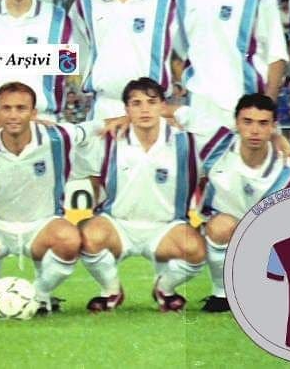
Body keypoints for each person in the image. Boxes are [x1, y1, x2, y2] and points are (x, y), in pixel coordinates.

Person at [0, 82, 103, 314]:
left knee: (70, 239)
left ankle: (39, 295)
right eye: (6, 108)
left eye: (21, 108)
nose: (13, 115)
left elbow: (94, 128)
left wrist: (128, 118)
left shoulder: (57, 137)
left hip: (41, 225)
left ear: (34, 113)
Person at [165, 93, 290, 312]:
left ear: (273, 127)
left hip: (264, 239)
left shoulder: (289, 176)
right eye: (247, 121)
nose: (254, 130)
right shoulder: (217, 141)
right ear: (236, 122)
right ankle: (222, 295)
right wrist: (125, 119)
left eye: (263, 123)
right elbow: (170, 110)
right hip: (217, 230)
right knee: (219, 228)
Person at [76, 78, 205, 313]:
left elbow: (222, 129)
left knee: (196, 251)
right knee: (86, 236)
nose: (144, 109)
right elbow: (77, 139)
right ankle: (111, 291)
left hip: (166, 227)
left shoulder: (187, 142)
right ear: (126, 110)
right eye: (136, 103)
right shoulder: (109, 141)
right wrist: (106, 122)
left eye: (151, 102)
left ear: (163, 106)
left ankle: (165, 289)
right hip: (118, 224)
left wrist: (179, 113)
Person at [175, 0, 288, 126]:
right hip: (199, 106)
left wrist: (267, 107)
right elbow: (177, 53)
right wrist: (186, 86)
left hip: (247, 104)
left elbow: (276, 54)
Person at [70, 0, 176, 119]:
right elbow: (68, 53)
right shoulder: (86, 5)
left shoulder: (163, 3)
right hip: (105, 107)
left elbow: (181, 53)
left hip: (151, 108)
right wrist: (78, 86)